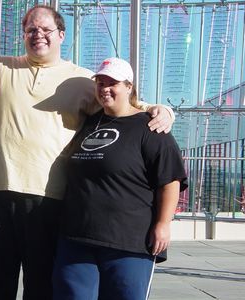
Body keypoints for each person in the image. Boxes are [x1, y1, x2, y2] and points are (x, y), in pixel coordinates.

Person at [0, 5, 176, 300]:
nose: (38, 35)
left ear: (61, 35)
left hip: (47, 200)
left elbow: (125, 104)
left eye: (46, 29)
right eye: (31, 30)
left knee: (43, 285)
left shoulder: (81, 81)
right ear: (23, 35)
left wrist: (162, 110)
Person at [52, 57, 188, 300]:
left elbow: (170, 181)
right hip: (77, 238)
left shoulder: (151, 128)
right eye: (100, 82)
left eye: (112, 83)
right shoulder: (90, 123)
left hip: (128, 243)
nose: (105, 88)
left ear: (129, 87)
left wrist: (163, 224)